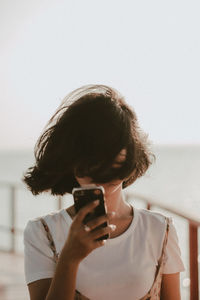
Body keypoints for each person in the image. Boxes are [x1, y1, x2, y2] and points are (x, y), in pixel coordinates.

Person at [23, 84, 185, 300]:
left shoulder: (159, 230)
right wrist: (69, 260)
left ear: (130, 159)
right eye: (90, 166)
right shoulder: (43, 232)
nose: (102, 176)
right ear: (71, 162)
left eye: (112, 167)